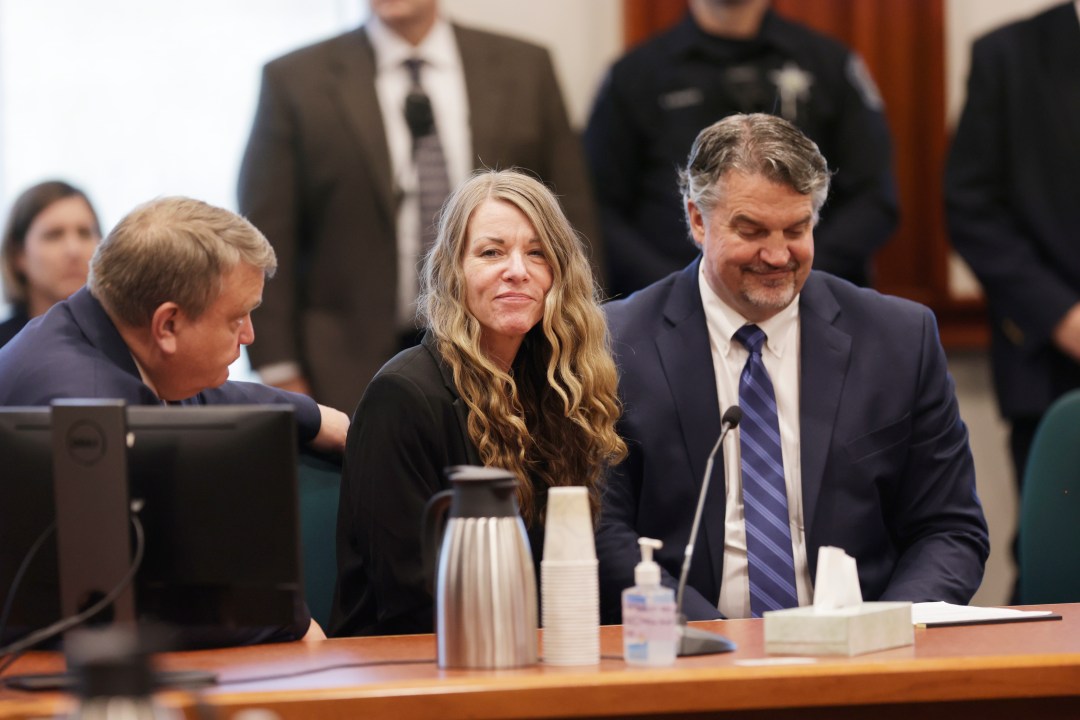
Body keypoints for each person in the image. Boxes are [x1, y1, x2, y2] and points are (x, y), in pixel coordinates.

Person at [596, 113, 988, 623]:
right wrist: (713, 645)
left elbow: (949, 529)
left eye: (796, 229)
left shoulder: (898, 339)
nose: (778, 255)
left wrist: (883, 634)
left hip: (864, 659)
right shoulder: (615, 344)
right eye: (752, 230)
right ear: (697, 219)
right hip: (690, 654)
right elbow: (605, 536)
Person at [0, 196, 350, 643]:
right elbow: (169, 600)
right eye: (236, 318)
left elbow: (198, 390)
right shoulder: (93, 412)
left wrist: (314, 416)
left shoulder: (90, 325)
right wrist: (296, 627)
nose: (249, 335)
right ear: (167, 325)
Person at [238, 0, 599, 415]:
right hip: (342, 365)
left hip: (507, 358)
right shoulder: (295, 79)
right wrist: (280, 369)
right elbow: (267, 229)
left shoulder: (526, 67)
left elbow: (571, 218)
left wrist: (581, 343)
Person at [331, 169, 625, 636]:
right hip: (411, 666)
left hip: (527, 654)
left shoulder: (554, 388)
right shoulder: (404, 394)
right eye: (491, 252)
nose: (517, 270)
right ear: (454, 272)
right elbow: (409, 595)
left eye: (537, 253)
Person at [585, 0, 897, 299]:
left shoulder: (829, 65)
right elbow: (598, 210)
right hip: (666, 304)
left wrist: (790, 269)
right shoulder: (634, 75)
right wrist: (679, 292)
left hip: (809, 296)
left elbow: (875, 199)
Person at [944, 1, 1080, 602]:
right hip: (1050, 356)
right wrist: (1062, 316)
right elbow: (971, 205)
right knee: (1058, 560)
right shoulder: (1008, 54)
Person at [0, 180, 101, 347]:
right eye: (54, 235)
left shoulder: (126, 339)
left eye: (84, 233)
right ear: (18, 255)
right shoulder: (4, 349)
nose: (73, 250)